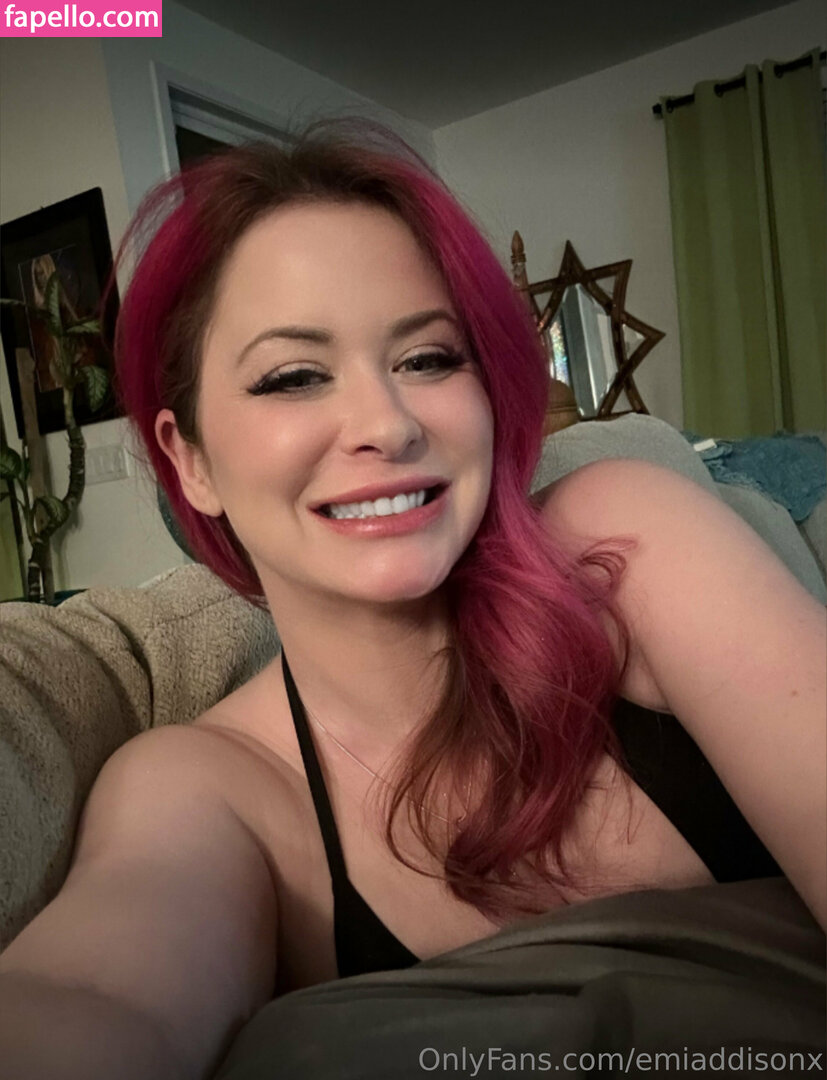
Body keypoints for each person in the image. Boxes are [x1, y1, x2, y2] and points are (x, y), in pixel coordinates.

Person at [0, 121, 824, 1080]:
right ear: (191, 462)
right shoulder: (201, 785)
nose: (386, 424)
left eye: (429, 359)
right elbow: (96, 996)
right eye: (294, 376)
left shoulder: (618, 543)